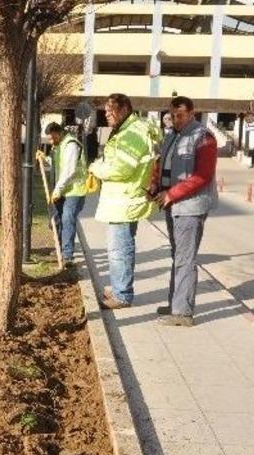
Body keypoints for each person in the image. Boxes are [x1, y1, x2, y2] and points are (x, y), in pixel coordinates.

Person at [89, 93, 159, 309]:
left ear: (125, 109)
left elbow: (121, 168)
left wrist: (95, 168)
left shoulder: (132, 133)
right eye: (106, 111)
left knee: (120, 249)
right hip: (123, 199)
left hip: (125, 201)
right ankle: (119, 287)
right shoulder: (128, 130)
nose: (107, 115)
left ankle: (122, 296)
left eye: (112, 111)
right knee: (119, 247)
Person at [153, 96, 218, 327]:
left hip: (191, 207)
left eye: (181, 115)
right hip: (173, 205)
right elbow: (162, 165)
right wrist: (156, 185)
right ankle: (175, 304)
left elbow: (202, 176)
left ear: (192, 113)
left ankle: (182, 313)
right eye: (173, 115)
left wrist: (172, 193)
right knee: (178, 257)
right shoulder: (171, 135)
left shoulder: (204, 138)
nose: (176, 119)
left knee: (185, 258)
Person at [40, 122, 88, 267]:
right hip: (62, 189)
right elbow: (59, 165)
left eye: (52, 138)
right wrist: (46, 158)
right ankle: (59, 248)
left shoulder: (71, 144)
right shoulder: (59, 145)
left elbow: (69, 170)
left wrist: (57, 190)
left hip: (74, 189)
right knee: (57, 219)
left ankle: (67, 255)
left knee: (67, 218)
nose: (50, 141)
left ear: (59, 133)